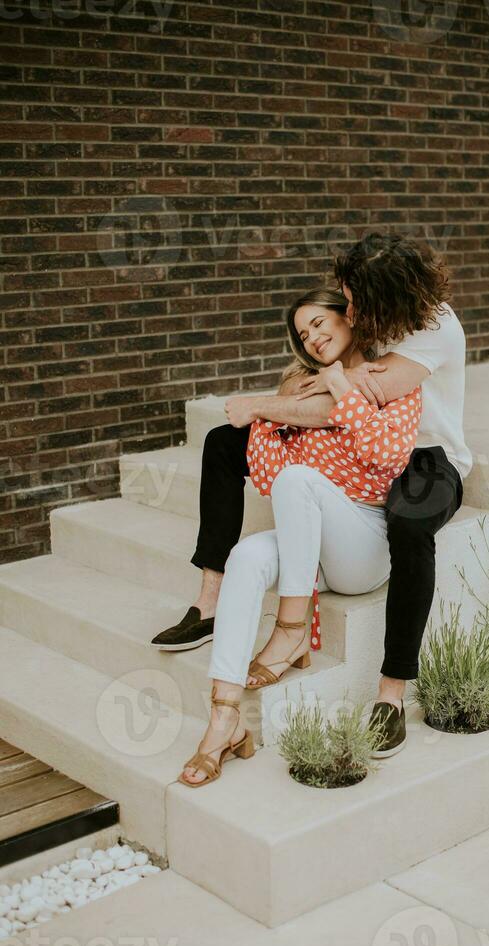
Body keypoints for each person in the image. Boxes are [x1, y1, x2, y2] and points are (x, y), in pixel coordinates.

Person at [153, 233, 472, 759]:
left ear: (382, 294)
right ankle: (208, 601)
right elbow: (332, 386)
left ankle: (390, 694)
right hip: (351, 449)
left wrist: (270, 401)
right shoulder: (368, 320)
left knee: (410, 524)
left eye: (351, 298)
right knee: (223, 443)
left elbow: (349, 401)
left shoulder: (435, 327)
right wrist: (302, 392)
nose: (346, 306)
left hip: (426, 457)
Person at [172, 288, 422, 786]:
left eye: (319, 322)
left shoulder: (390, 377)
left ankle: (290, 632)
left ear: (349, 317)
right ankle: (224, 719)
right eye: (303, 334)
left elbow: (385, 455)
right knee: (245, 555)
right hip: (310, 537)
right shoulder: (296, 388)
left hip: (363, 540)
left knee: (299, 479)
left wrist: (338, 390)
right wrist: (297, 403)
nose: (312, 337)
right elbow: (266, 470)